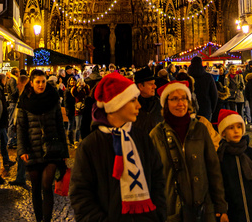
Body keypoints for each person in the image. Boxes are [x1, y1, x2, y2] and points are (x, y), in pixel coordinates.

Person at [70, 71, 166, 222]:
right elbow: (81, 195)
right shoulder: (90, 146)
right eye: (133, 100)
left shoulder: (142, 139)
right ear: (117, 104)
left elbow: (158, 179)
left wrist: (157, 214)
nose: (139, 105)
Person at [150, 79, 227, 222]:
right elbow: (152, 178)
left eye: (184, 98)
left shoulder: (200, 129)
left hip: (203, 209)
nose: (181, 103)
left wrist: (221, 206)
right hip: (172, 211)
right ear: (166, 104)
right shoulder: (156, 134)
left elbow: (213, 169)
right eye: (174, 99)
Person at [17, 67, 68, 222]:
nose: (41, 85)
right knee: (36, 188)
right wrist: (22, 149)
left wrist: (64, 152)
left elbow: (60, 125)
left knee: (47, 186)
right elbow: (21, 127)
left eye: (43, 81)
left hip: (51, 149)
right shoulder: (24, 101)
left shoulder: (53, 98)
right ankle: (39, 219)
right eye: (38, 82)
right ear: (31, 83)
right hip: (32, 149)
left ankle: (46, 220)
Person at [217, 109, 252, 222]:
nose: (236, 131)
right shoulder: (220, 158)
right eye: (231, 128)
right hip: (234, 215)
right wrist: (222, 211)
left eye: (238, 127)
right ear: (223, 132)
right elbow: (217, 187)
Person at [188, 55, 218, 122]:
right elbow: (214, 94)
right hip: (206, 108)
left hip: (191, 109)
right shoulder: (208, 77)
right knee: (205, 129)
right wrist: (212, 109)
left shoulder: (188, 77)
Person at [134, 67, 162, 136]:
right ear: (140, 86)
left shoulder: (160, 104)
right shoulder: (131, 106)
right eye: (150, 84)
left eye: (154, 83)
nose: (155, 86)